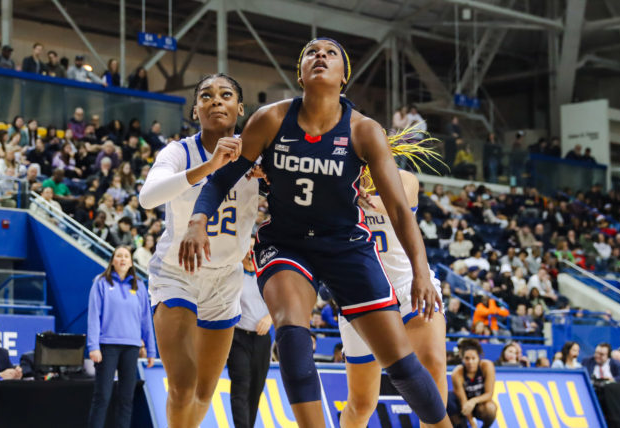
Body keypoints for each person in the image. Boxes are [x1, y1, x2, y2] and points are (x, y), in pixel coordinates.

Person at [179, 38, 447, 427]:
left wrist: (422, 272)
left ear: (344, 77)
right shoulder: (270, 119)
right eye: (311, 52)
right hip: (286, 245)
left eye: (330, 53)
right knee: (292, 333)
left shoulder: (364, 131)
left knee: (403, 366)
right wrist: (196, 221)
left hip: (346, 248)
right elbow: (221, 181)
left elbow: (402, 215)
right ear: (300, 73)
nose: (320, 56)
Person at [138, 73, 259, 427]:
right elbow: (148, 197)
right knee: (182, 385)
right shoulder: (178, 151)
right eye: (206, 96)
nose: (216, 101)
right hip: (178, 273)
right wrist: (210, 168)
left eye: (225, 95)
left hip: (226, 280)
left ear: (240, 108)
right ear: (195, 110)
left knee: (205, 391)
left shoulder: (257, 155)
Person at [338, 163, 447, 427]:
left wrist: (353, 196)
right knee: (362, 403)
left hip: (408, 282)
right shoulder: (335, 177)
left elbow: (398, 201)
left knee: (432, 364)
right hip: (361, 293)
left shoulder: (403, 177)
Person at [87, 246, 156, 428]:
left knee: (126, 398)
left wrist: (150, 349)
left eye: (126, 256)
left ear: (131, 262)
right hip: (107, 346)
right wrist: (93, 346)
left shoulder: (139, 286)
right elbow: (94, 316)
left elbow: (145, 319)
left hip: (131, 347)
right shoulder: (101, 283)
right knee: (102, 396)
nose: (123, 259)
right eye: (119, 256)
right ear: (112, 261)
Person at [227, 239, 273, 428]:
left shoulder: (268, 276)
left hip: (262, 340)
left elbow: (282, 304)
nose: (250, 252)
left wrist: (270, 318)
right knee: (241, 385)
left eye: (254, 248)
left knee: (256, 389)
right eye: (247, 247)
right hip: (238, 337)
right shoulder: (233, 274)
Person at [448, 339, 497, 428]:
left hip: (478, 404)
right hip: (462, 405)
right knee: (448, 399)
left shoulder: (487, 366)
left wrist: (473, 401)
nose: (470, 362)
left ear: (478, 358)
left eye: (473, 358)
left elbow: (489, 394)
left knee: (491, 408)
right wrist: (472, 424)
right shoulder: (457, 373)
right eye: (467, 358)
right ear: (462, 359)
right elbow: (464, 402)